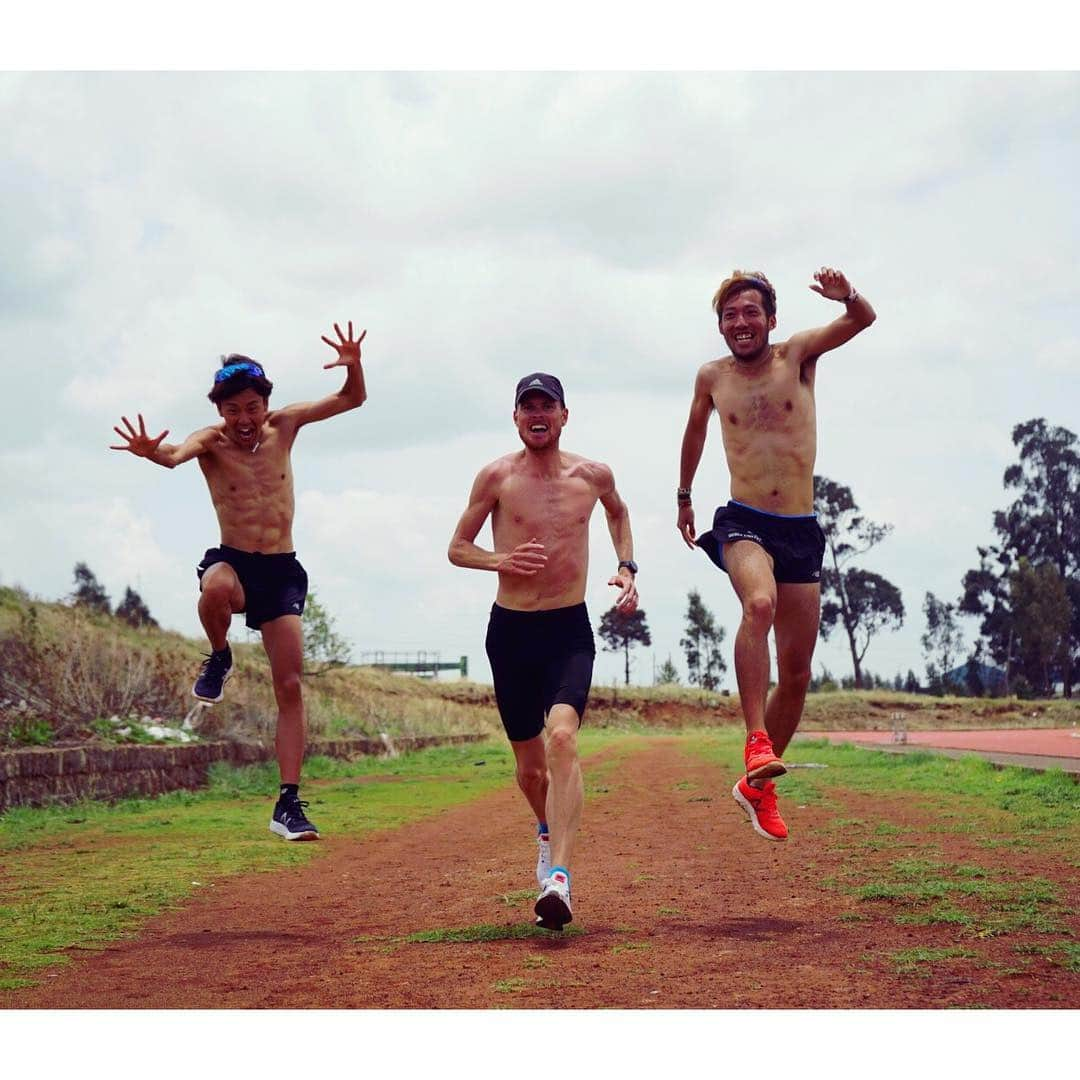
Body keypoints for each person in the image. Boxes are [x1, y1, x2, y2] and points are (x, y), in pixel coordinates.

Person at [109, 322, 368, 842]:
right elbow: (175, 454)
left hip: (281, 569)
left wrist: (353, 363)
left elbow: (352, 398)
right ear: (219, 411)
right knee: (215, 588)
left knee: (290, 686)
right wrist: (149, 452)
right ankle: (220, 654)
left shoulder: (287, 424)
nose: (243, 419)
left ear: (264, 401)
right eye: (232, 410)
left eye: (250, 406)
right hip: (233, 560)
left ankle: (288, 804)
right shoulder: (211, 441)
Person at [677, 268, 876, 841]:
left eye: (750, 313)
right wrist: (685, 495)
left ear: (770, 319)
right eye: (730, 315)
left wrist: (848, 296)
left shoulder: (798, 356)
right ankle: (755, 738)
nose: (740, 323)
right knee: (757, 604)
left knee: (796, 674)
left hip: (800, 528)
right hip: (744, 521)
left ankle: (758, 785)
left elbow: (862, 321)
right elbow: (694, 433)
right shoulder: (711, 378)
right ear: (720, 324)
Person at [448, 373, 639, 930]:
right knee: (531, 772)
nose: (537, 414)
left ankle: (560, 880)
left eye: (546, 406)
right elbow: (457, 547)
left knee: (562, 738)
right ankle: (546, 828)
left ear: (563, 415)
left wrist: (626, 567)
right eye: (527, 406)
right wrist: (498, 561)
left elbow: (619, 513)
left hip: (568, 631)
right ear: (516, 418)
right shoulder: (496, 477)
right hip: (510, 633)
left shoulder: (593, 475)